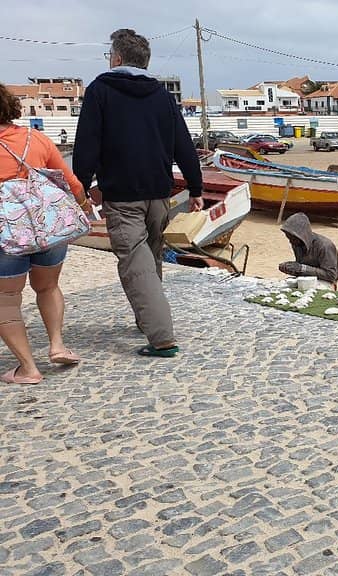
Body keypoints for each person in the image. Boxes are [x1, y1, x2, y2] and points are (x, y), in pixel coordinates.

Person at [73, 29, 203, 358]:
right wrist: (195, 186)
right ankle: (147, 319)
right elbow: (183, 145)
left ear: (116, 58)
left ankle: (162, 338)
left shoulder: (99, 91)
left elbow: (87, 145)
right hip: (159, 193)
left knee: (137, 264)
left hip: (123, 193)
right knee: (151, 257)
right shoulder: (161, 95)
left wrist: (80, 187)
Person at [0, 83, 89, 384]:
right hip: (48, 228)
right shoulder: (34, 138)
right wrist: (83, 207)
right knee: (48, 288)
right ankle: (57, 345)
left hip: (7, 238)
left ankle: (28, 368)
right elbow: (71, 182)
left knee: (6, 300)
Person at [278, 213, 338, 289]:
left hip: (325, 282)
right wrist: (291, 268)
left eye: (292, 238)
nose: (291, 242)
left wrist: (302, 268)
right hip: (307, 278)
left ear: (301, 235)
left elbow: (331, 275)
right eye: (289, 238)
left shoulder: (325, 246)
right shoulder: (297, 244)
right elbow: (302, 268)